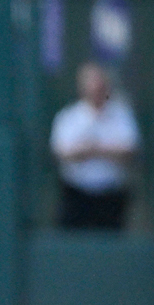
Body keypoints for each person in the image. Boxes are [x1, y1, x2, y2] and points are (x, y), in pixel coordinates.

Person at [50, 62, 141, 230]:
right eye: (91, 85)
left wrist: (93, 150)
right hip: (76, 194)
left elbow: (129, 149)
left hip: (111, 196)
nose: (96, 90)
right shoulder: (69, 117)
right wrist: (99, 151)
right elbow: (63, 152)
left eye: (100, 85)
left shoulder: (121, 115)